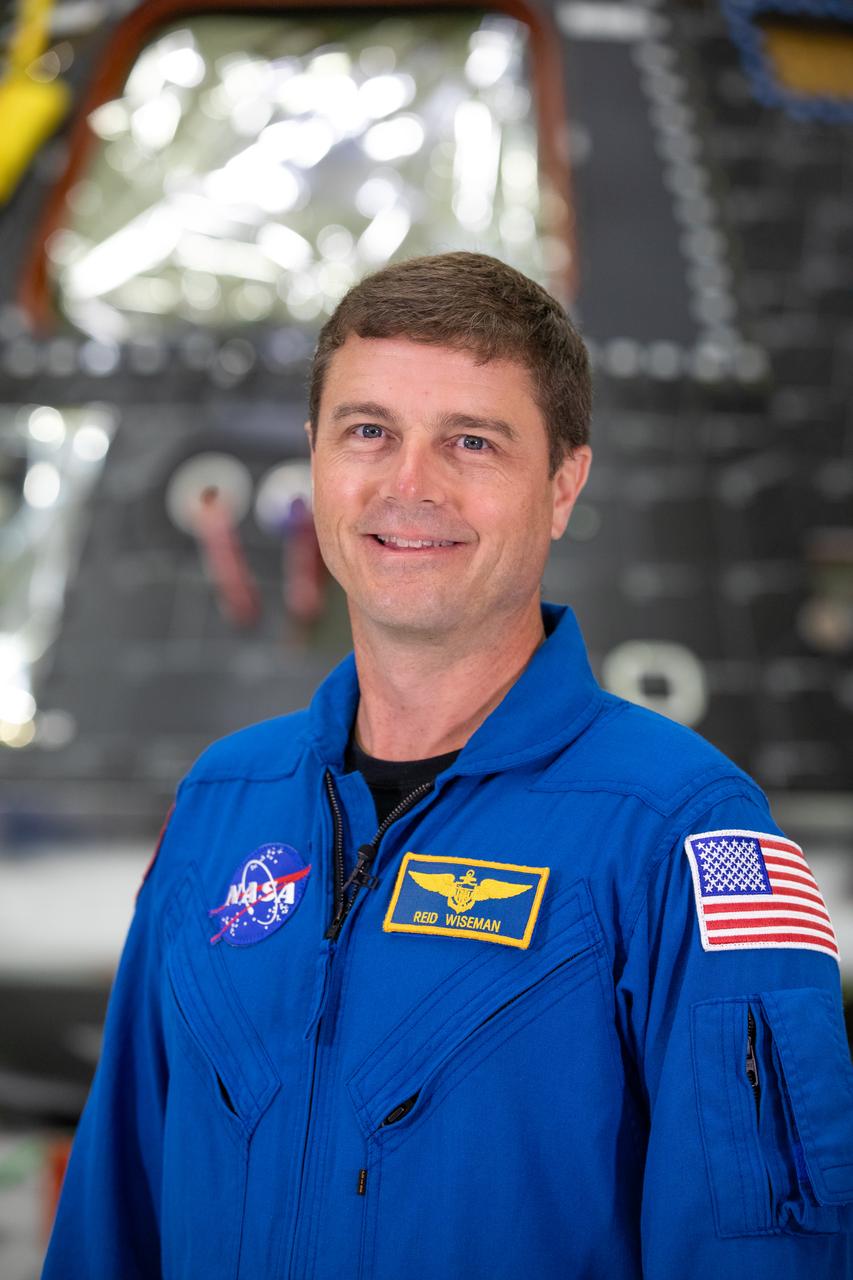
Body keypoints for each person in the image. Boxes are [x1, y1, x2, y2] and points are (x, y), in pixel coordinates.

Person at [44, 252, 853, 1279]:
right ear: (316, 459)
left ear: (563, 483)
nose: (408, 484)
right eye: (368, 431)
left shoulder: (685, 831)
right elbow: (109, 1227)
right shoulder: (222, 805)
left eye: (471, 440)